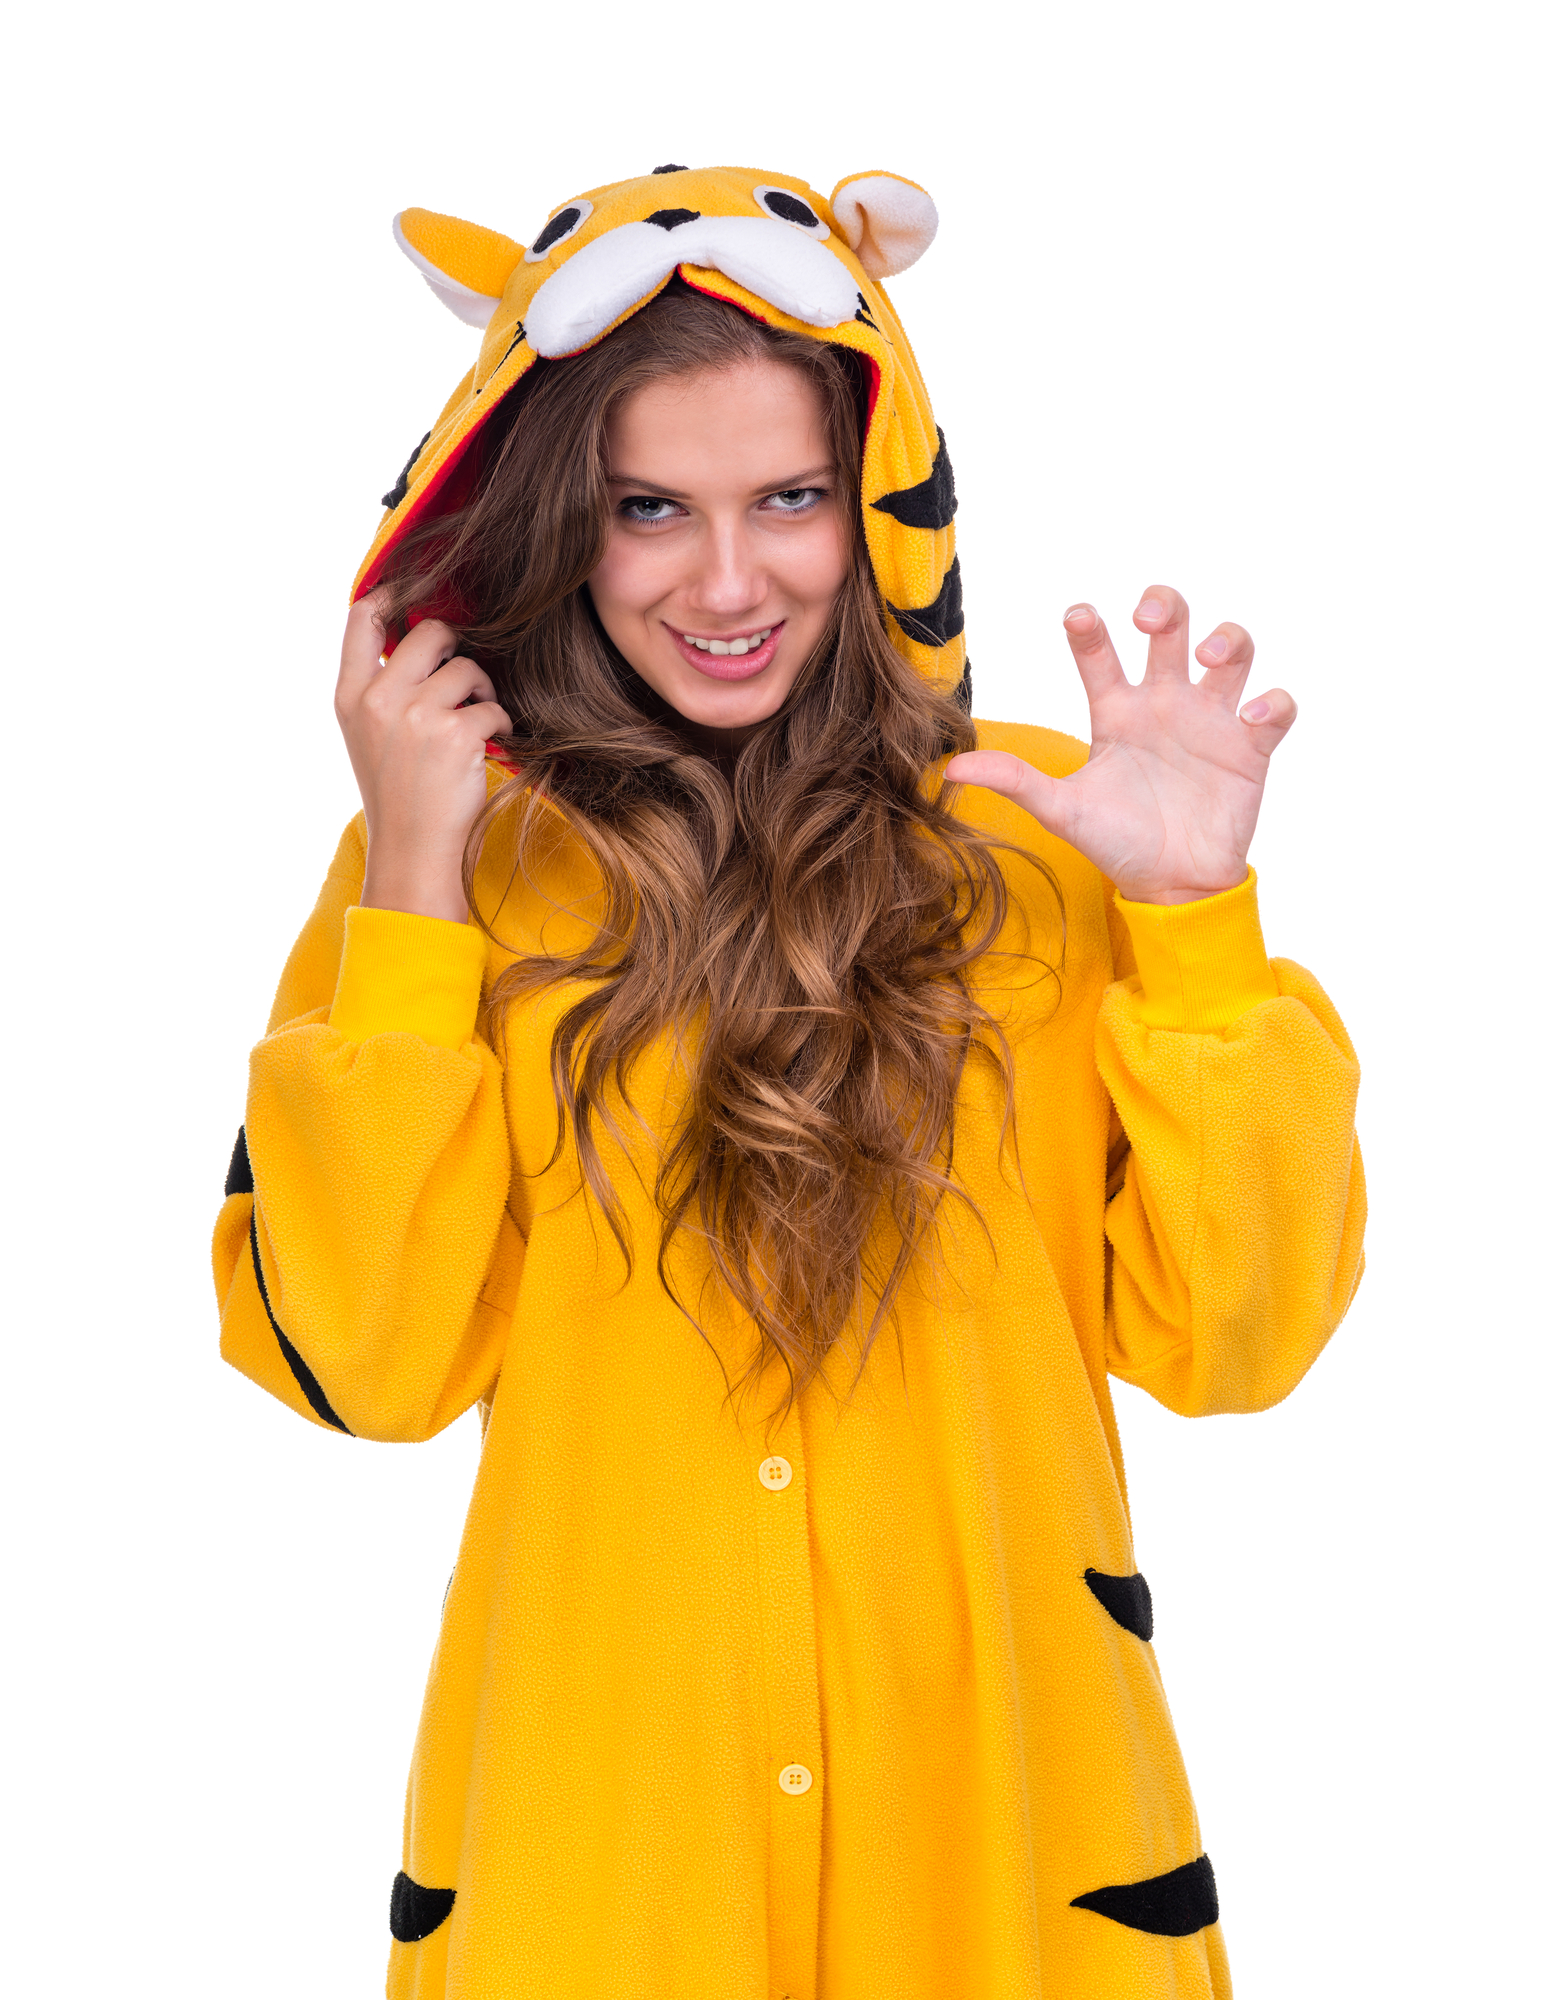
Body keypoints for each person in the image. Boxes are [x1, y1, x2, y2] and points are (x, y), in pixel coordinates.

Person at [212, 164, 1366, 2000]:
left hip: (1002, 1866)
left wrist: (1193, 923)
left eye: (793, 498)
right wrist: (411, 887)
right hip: (608, 1877)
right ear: (549, 524)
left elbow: (1242, 1343)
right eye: (648, 507)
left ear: (880, 491)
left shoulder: (1050, 833)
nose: (729, 581)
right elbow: (365, 1364)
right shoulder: (447, 880)